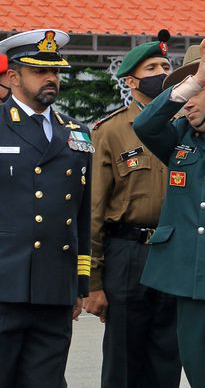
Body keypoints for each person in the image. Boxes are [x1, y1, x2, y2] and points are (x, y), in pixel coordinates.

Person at [133, 41, 205, 388]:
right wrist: (195, 81)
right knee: (200, 378)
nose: (190, 102)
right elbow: (144, 125)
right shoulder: (181, 138)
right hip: (190, 284)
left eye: (202, 87)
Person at [86, 31, 181, 388]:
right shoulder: (110, 132)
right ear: (131, 80)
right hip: (128, 252)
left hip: (173, 250)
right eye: (152, 66)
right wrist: (93, 283)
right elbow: (94, 208)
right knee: (124, 360)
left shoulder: (184, 125)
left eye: (165, 65)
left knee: (167, 357)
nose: (161, 71)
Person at [0, 29, 92, 387]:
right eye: (40, 71)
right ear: (13, 76)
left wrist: (80, 283)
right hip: (4, 284)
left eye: (55, 71)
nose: (51, 78)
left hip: (54, 287)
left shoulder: (76, 133)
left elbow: (82, 213)